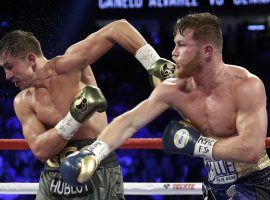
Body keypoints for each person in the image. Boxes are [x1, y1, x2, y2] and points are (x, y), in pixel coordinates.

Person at [60, 13, 270, 200]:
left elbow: (251, 149)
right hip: (215, 185)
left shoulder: (246, 86)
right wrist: (93, 153)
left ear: (207, 51)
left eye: (182, 45)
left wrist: (198, 146)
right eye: (174, 44)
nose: (173, 53)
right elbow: (129, 121)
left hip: (255, 182)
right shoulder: (174, 89)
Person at [0, 19, 174, 200]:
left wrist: (155, 64)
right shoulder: (23, 101)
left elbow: (117, 28)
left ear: (30, 59)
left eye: (9, 67)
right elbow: (40, 151)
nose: (7, 75)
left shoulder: (69, 65)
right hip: (53, 177)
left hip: (96, 166)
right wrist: (76, 116)